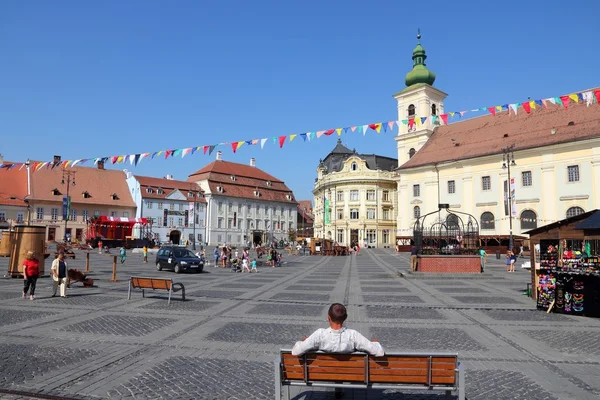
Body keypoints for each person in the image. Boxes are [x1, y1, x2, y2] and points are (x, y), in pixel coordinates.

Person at [292, 303, 383, 400]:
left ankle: (339, 391)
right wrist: (375, 343)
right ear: (346, 317)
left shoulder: (320, 335)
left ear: (328, 317)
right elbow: (379, 352)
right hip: (348, 372)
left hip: (323, 373)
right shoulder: (353, 335)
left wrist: (304, 341)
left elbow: (295, 351)